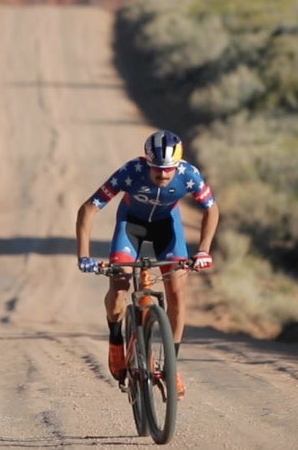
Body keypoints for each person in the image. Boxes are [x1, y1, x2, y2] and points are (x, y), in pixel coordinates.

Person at [75, 129, 219, 399]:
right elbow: (88, 209)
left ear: (178, 165)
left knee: (176, 294)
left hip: (168, 229)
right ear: (147, 162)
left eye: (168, 170)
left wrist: (203, 250)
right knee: (119, 287)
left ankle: (171, 366)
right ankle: (117, 339)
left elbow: (212, 208)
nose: (163, 175)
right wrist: (84, 256)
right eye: (156, 170)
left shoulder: (189, 174)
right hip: (131, 227)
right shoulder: (131, 171)